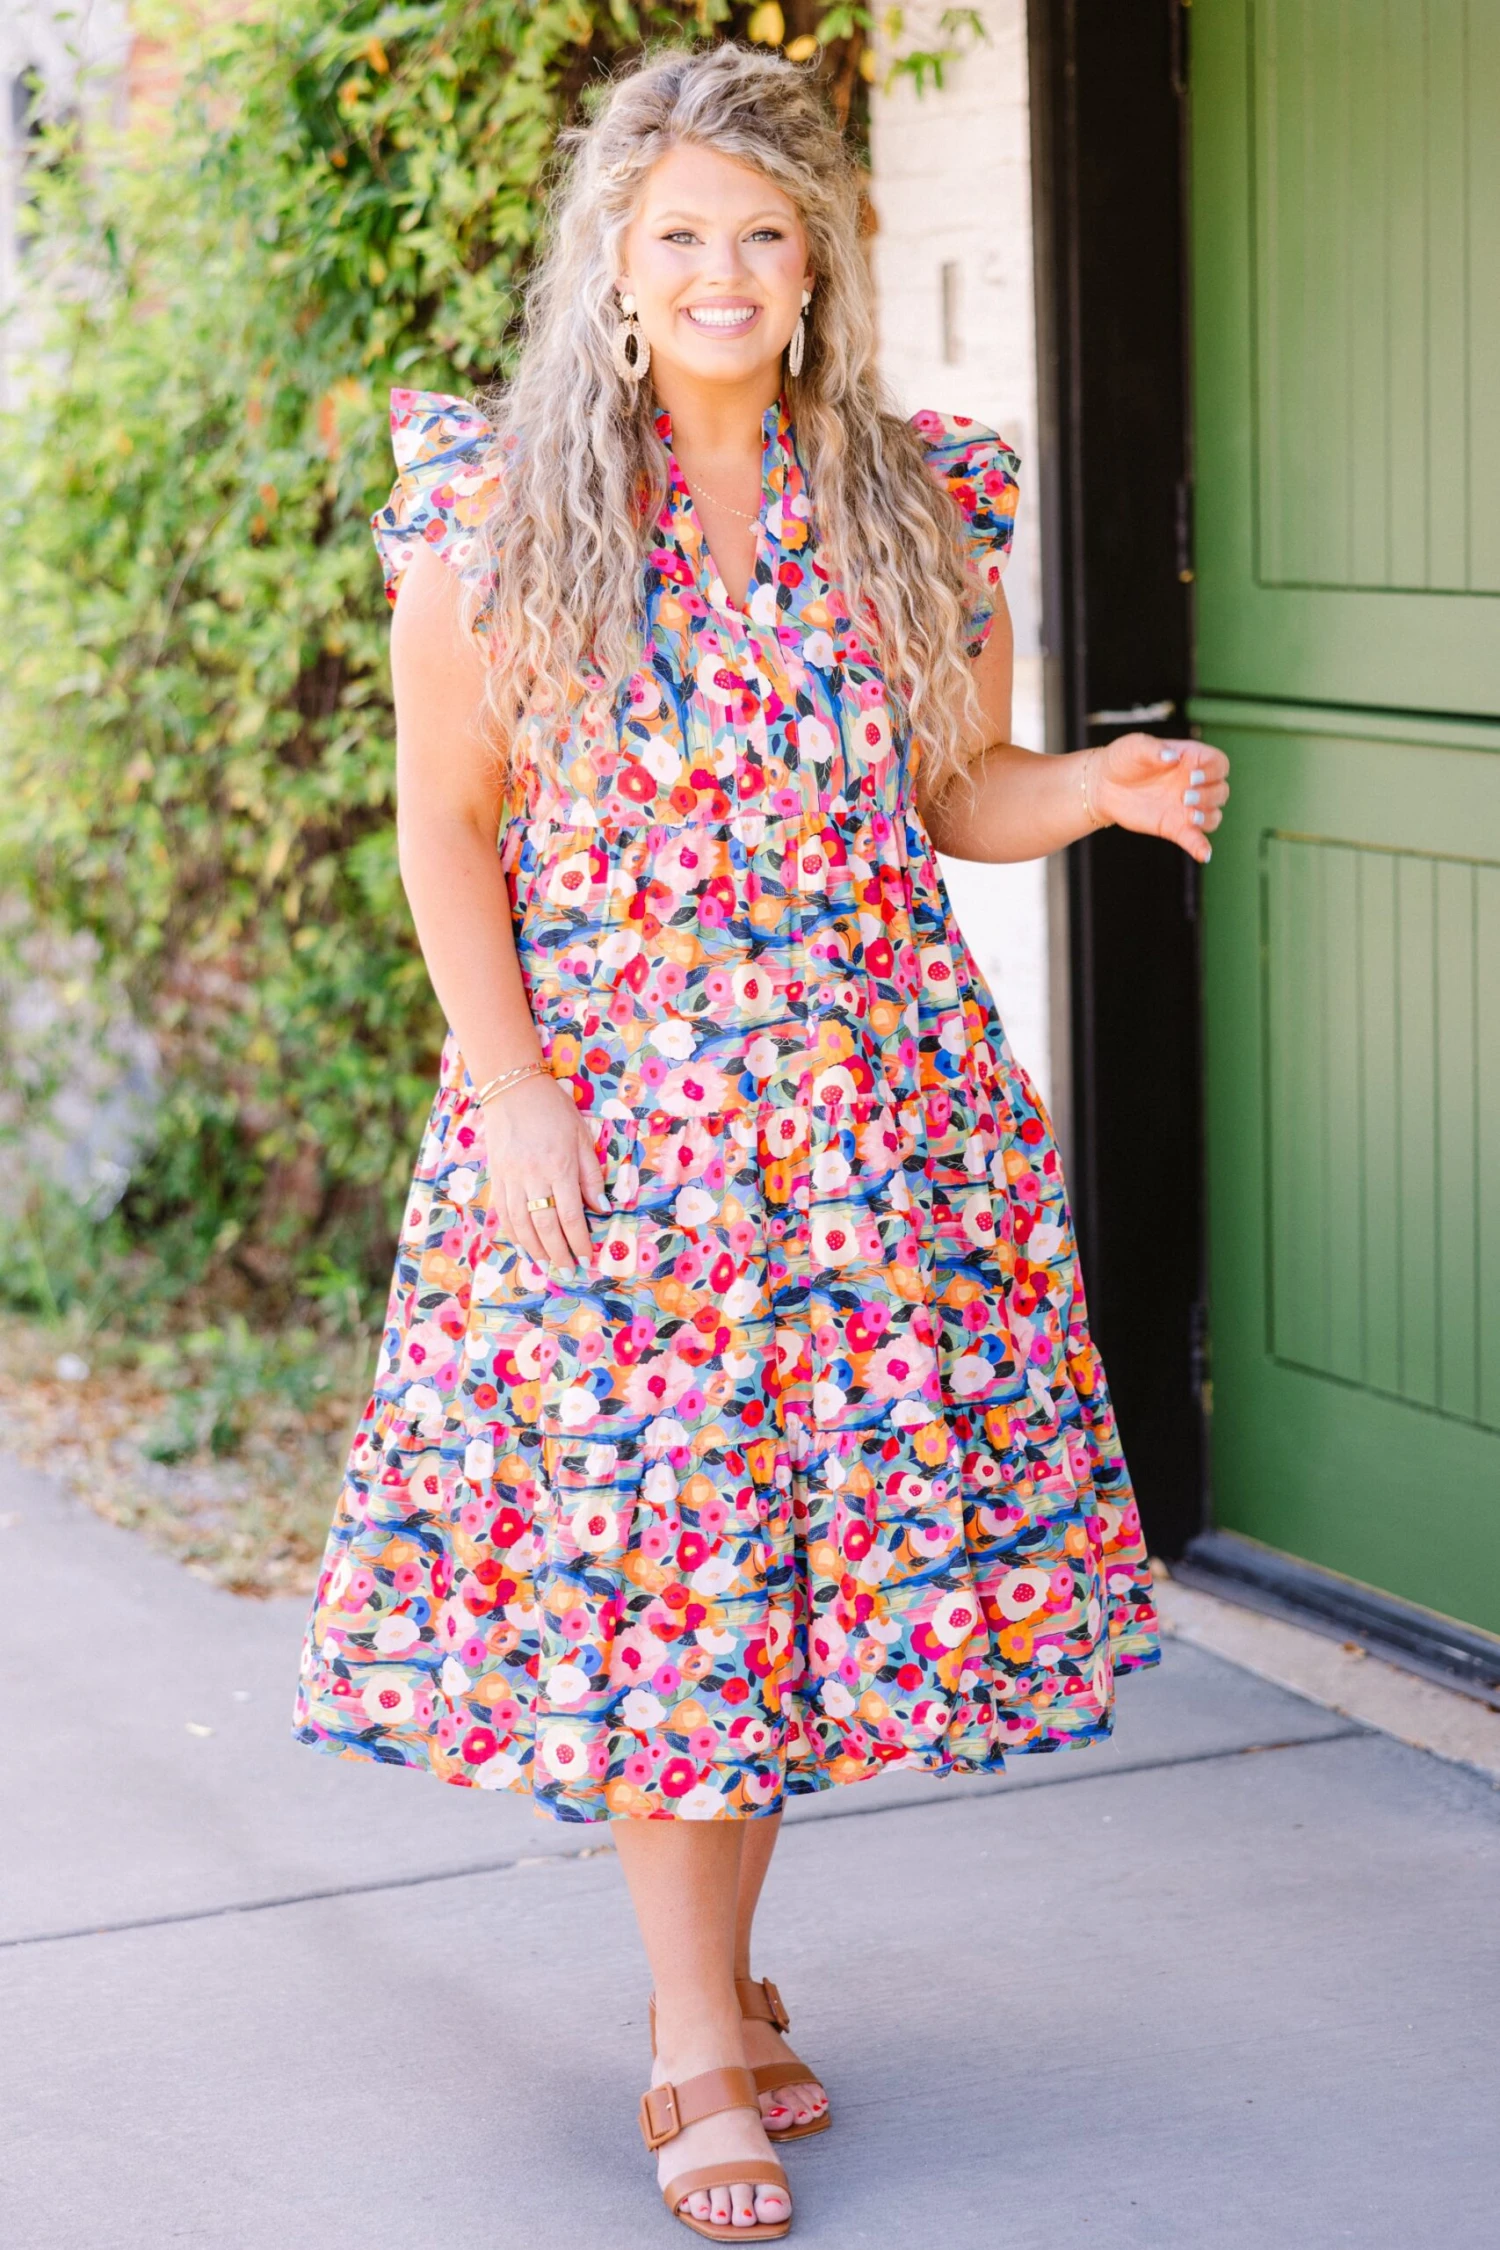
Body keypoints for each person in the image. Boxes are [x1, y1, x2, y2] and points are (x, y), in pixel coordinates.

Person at [292, 40, 1229, 2242]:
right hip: (618, 1131)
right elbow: (444, 824)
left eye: (765, 233)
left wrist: (1090, 794)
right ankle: (697, 2043)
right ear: (614, 265)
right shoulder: (503, 510)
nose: (724, 270)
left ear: (821, 264)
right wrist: (515, 1088)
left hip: (873, 1125)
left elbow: (957, 791)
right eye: (681, 233)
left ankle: (709, 1983)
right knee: (673, 1583)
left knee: (782, 1584)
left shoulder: (920, 499)